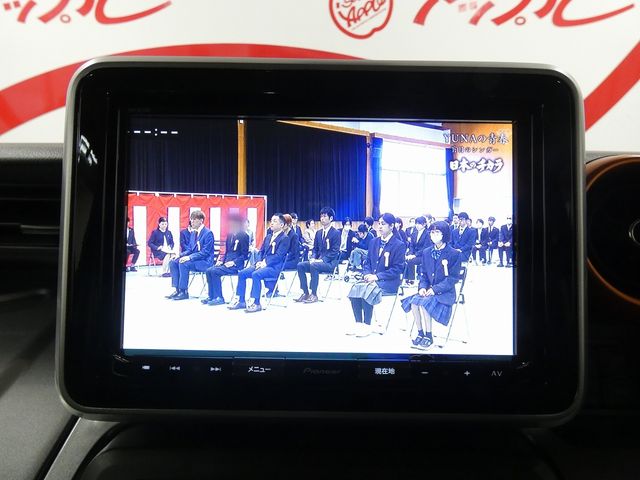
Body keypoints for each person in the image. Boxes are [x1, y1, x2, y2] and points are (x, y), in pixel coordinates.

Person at [401, 221, 462, 350]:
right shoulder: (426, 252)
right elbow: (423, 274)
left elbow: (452, 279)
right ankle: (420, 333)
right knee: (414, 302)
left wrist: (434, 289)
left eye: (437, 232)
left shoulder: (454, 253)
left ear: (444, 234)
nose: (434, 235)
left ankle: (429, 336)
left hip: (445, 293)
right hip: (428, 291)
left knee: (424, 304)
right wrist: (422, 287)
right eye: (432, 232)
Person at [347, 213, 405, 337]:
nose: (380, 226)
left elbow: (397, 269)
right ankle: (359, 324)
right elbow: (367, 262)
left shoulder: (399, 245)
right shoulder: (374, 241)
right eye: (379, 223)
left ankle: (367, 325)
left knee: (368, 290)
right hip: (371, 278)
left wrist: (377, 277)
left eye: (383, 224)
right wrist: (367, 274)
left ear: (391, 226)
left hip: (388, 282)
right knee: (355, 288)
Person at [228, 213, 290, 313]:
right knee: (242, 273)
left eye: (275, 221)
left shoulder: (285, 238)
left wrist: (265, 263)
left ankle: (256, 303)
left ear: (281, 225)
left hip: (274, 267)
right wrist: (259, 262)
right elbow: (261, 252)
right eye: (271, 221)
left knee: (256, 274)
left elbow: (279, 256)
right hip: (262, 265)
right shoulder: (268, 237)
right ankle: (241, 300)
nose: (272, 223)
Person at [295, 207, 341, 304]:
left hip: (329, 263)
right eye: (321, 216)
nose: (322, 218)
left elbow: (335, 251)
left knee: (314, 265)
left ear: (331, 218)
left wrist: (322, 260)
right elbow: (315, 249)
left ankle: (314, 294)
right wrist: (313, 257)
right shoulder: (318, 233)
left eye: (325, 216)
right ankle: (305, 292)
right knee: (300, 265)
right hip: (317, 262)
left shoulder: (336, 233)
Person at [166, 210, 215, 300]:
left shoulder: (208, 233)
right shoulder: (193, 233)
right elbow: (190, 249)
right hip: (196, 259)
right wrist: (180, 255)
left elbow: (205, 252)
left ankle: (184, 291)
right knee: (173, 262)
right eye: (191, 219)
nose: (191, 221)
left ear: (201, 220)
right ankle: (177, 289)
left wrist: (189, 257)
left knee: (184, 263)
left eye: (194, 219)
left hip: (205, 261)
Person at [202, 215, 249, 306]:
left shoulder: (244, 236)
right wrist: (221, 261)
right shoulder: (230, 235)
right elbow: (227, 251)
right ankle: (212, 296)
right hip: (226, 263)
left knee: (215, 272)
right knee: (209, 270)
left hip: (236, 265)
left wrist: (234, 262)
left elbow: (245, 255)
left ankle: (219, 297)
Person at [264, 214, 300, 297]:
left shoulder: (294, 235)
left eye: (285, 224)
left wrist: (282, 258)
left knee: (275, 264)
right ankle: (272, 289)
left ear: (288, 224)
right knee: (272, 262)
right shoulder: (278, 235)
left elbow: (293, 252)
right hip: (282, 257)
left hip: (291, 260)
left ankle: (273, 289)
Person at [405, 216, 430, 283]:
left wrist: (415, 255)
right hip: (414, 254)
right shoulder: (414, 233)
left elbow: (425, 248)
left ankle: (412, 279)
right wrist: (410, 254)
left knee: (411, 261)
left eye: (419, 223)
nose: (417, 225)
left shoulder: (427, 234)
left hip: (423, 255)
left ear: (424, 224)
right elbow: (411, 246)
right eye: (416, 223)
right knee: (405, 259)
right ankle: (405, 279)